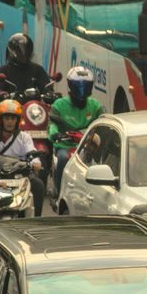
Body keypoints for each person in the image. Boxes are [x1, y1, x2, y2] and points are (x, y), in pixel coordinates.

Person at [0, 99, 46, 214]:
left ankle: (37, 218)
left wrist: (36, 163)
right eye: (7, 118)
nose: (10, 122)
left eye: (13, 118)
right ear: (1, 119)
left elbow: (31, 152)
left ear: (18, 120)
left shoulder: (24, 137)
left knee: (39, 185)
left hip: (20, 175)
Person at [49, 66, 103, 197]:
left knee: (102, 165)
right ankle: (58, 190)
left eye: (85, 86)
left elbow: (103, 123)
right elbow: (52, 125)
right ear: (70, 86)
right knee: (62, 158)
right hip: (66, 145)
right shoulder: (59, 105)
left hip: (89, 145)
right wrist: (55, 134)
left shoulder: (96, 106)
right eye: (78, 86)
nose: (82, 91)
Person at [0, 33, 53, 102]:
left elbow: (46, 87)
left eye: (27, 51)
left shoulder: (37, 69)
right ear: (13, 52)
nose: (24, 54)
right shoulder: (4, 70)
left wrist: (50, 94)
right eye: (19, 51)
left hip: (32, 108)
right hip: (11, 107)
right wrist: (0, 94)